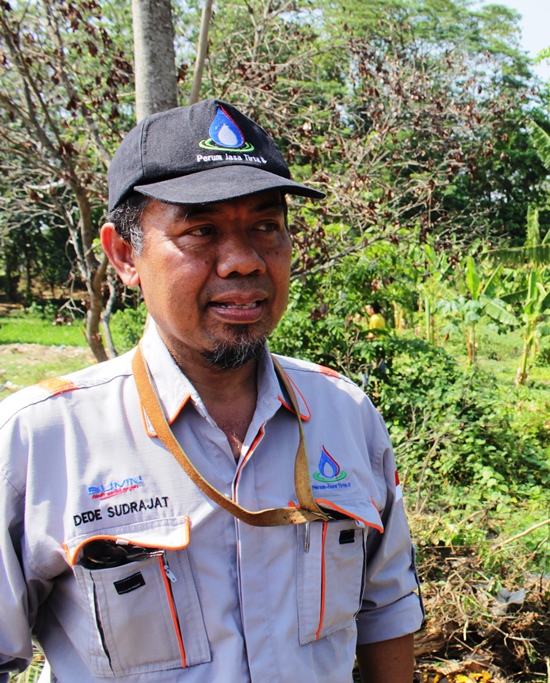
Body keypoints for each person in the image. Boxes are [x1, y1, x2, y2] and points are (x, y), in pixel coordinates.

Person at [0, 100, 423, 683]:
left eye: (265, 227)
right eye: (201, 231)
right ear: (125, 255)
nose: (245, 261)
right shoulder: (40, 439)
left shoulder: (343, 412)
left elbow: (386, 614)